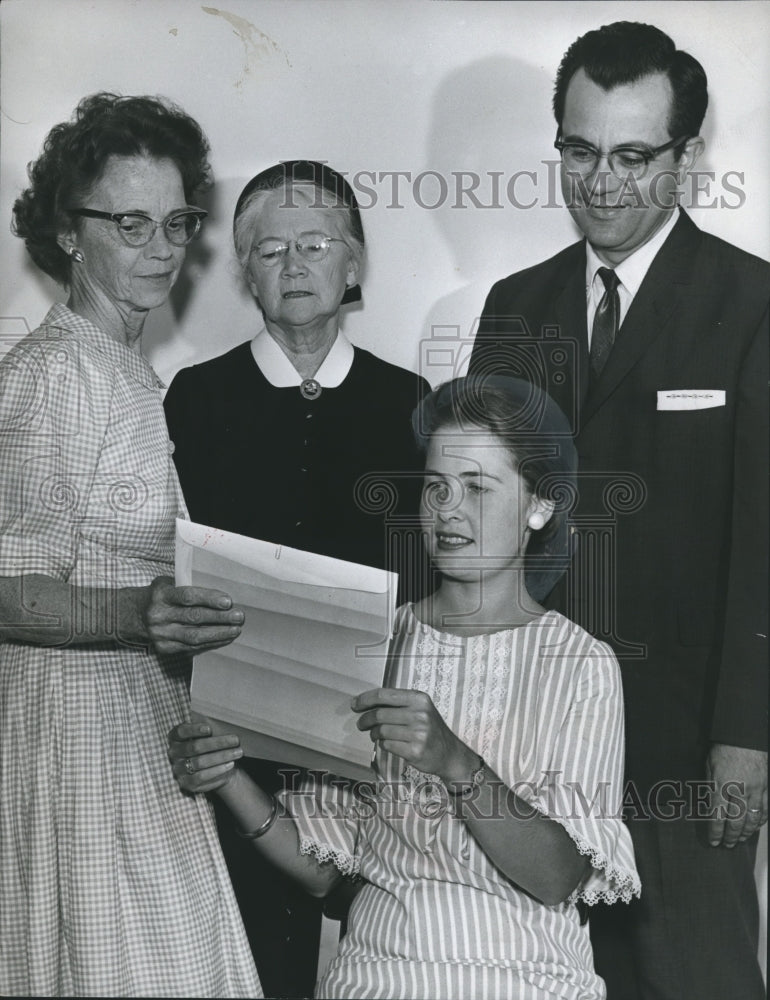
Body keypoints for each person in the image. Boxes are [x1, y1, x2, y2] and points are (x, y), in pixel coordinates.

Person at [168, 375, 641, 1000]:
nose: (448, 510)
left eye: (477, 488)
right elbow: (322, 872)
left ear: (540, 506)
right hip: (376, 977)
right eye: (437, 487)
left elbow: (557, 877)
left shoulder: (582, 664)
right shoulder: (374, 639)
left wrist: (457, 763)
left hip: (528, 979)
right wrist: (227, 777)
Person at [469, 21, 769, 1000]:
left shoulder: (751, 302)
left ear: (684, 158)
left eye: (632, 156)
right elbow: (479, 534)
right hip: (531, 747)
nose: (599, 182)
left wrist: (747, 734)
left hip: (685, 754)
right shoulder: (513, 309)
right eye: (578, 150)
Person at [0, 93, 261, 998]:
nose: (161, 247)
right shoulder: (60, 372)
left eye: (177, 221)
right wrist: (141, 612)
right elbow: (6, 591)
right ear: (69, 234)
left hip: (138, 720)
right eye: (130, 223)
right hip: (76, 738)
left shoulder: (118, 367)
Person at [163, 159, 430, 998]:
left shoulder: (406, 399)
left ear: (353, 264)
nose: (294, 264)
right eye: (268, 249)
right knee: (251, 961)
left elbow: (421, 580)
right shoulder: (198, 398)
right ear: (245, 273)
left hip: (367, 738)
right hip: (234, 738)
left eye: (315, 244)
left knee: (377, 950)